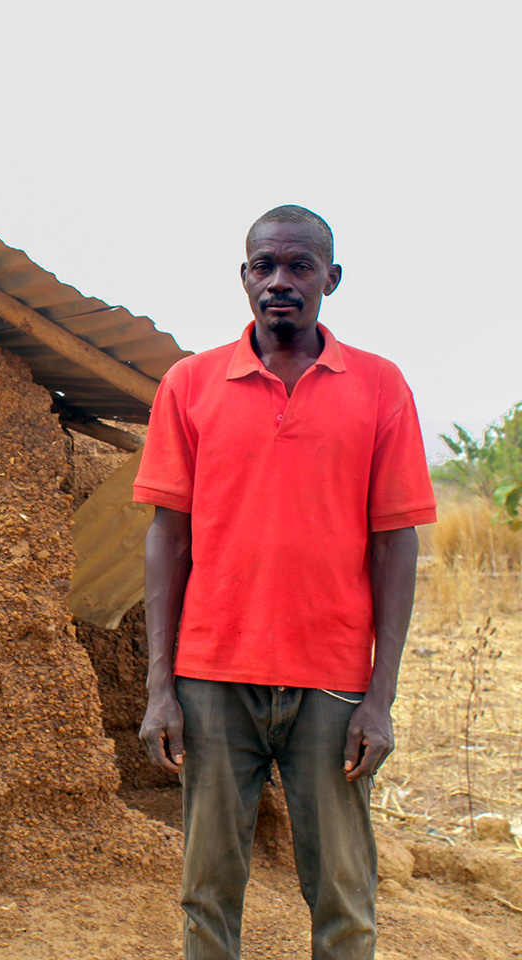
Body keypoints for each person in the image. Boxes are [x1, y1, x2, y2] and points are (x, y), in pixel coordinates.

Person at [134, 206, 436, 960]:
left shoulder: (379, 386)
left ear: (331, 278)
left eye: (300, 266)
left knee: (342, 896)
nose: (280, 282)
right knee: (207, 891)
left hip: (333, 686)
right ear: (243, 278)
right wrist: (158, 688)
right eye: (264, 265)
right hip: (210, 680)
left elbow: (395, 544)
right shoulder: (190, 384)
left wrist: (381, 698)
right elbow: (168, 539)